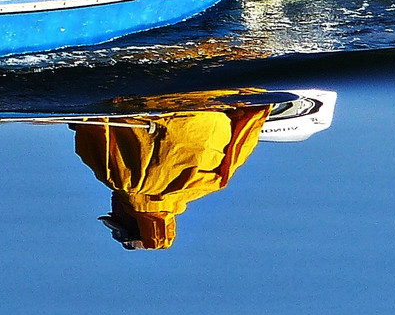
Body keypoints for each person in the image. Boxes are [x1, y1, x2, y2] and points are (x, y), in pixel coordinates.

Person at [72, 103, 271, 249]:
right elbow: (89, 117)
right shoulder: (118, 178)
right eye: (116, 216)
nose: (112, 208)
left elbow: (251, 121)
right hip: (148, 91)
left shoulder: (215, 182)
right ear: (131, 217)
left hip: (210, 93)